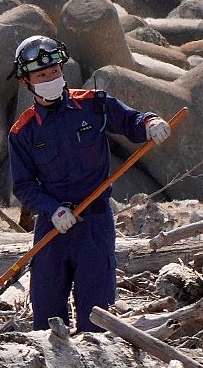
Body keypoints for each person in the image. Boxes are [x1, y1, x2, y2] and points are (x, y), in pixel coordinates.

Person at [9, 35, 170, 332]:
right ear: (26, 82)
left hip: (94, 225)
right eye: (42, 75)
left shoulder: (94, 105)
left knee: (97, 318)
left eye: (55, 71)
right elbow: (23, 186)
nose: (51, 78)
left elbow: (132, 122)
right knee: (46, 319)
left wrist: (150, 123)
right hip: (52, 228)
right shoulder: (23, 131)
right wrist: (53, 210)